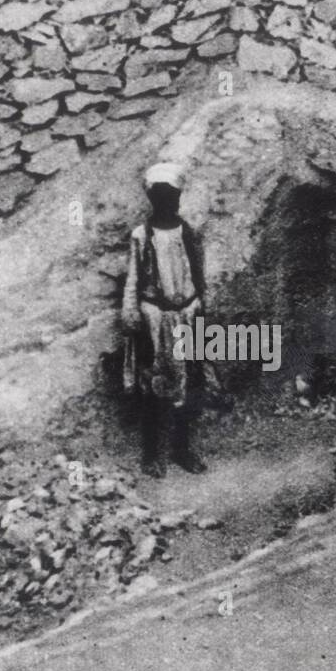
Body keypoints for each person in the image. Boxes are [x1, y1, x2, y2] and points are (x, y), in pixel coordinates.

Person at [121, 162, 208, 477]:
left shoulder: (188, 231)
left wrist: (200, 310)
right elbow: (133, 277)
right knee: (153, 384)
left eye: (171, 195)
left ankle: (182, 450)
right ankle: (150, 454)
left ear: (179, 197)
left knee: (190, 383)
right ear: (151, 198)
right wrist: (132, 314)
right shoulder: (141, 236)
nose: (166, 201)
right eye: (159, 195)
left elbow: (197, 272)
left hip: (186, 314)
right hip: (155, 319)